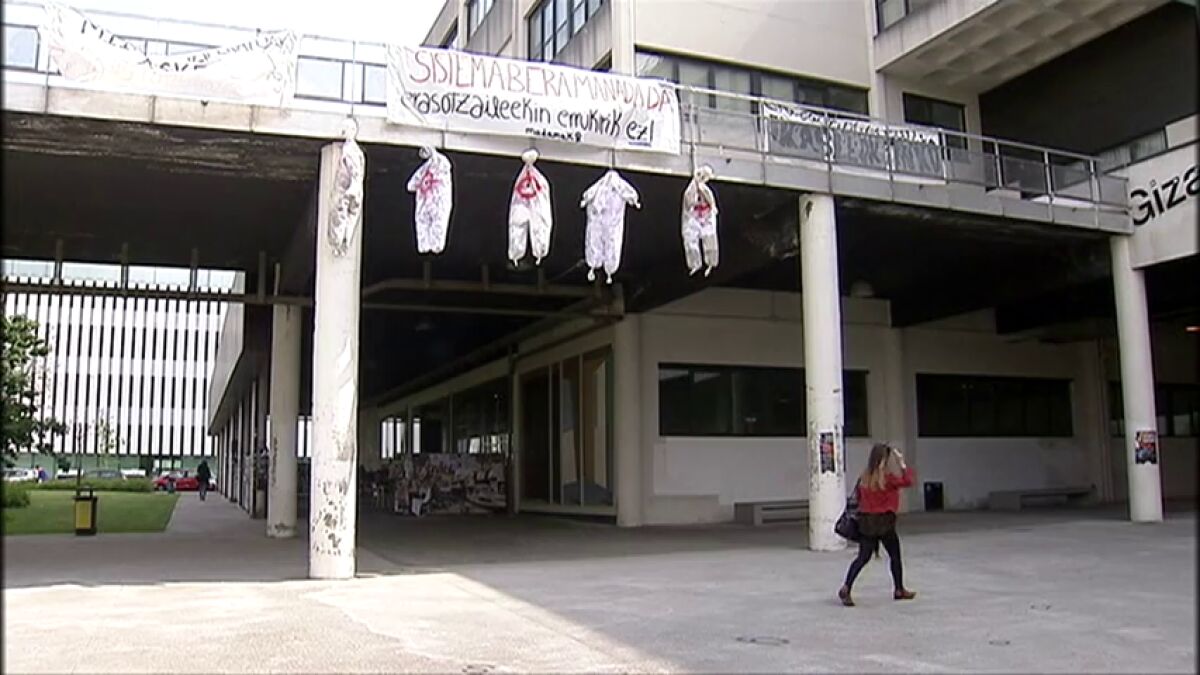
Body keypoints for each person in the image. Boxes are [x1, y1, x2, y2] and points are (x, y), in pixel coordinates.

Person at [838, 443, 917, 607]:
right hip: (884, 523)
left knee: (862, 558)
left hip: (867, 523)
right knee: (895, 556)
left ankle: (846, 587)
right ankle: (899, 589)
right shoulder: (887, 479)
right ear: (883, 460)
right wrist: (902, 463)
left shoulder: (864, 478)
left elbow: (858, 500)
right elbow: (908, 481)